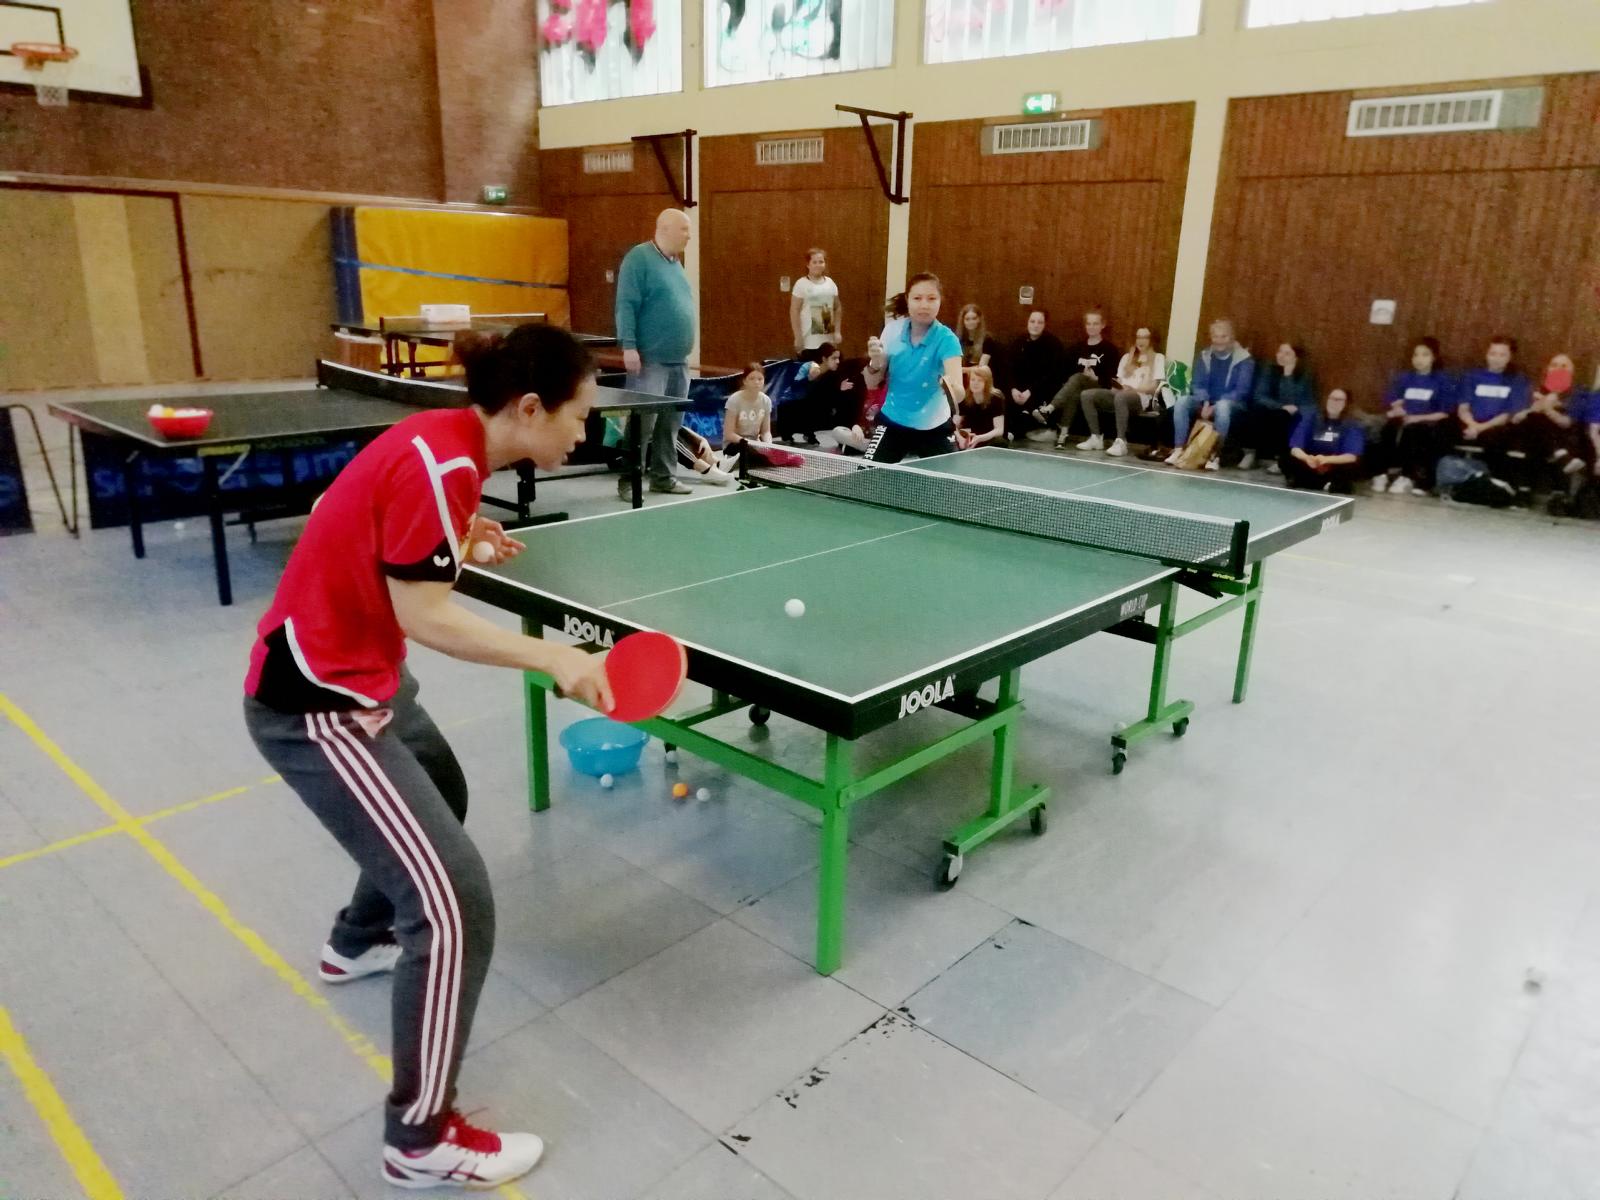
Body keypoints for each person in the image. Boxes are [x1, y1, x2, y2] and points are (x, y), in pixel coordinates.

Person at [242, 325, 611, 1191]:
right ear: (531, 409)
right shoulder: (443, 464)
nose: (585, 433)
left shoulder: (450, 448)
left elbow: (376, 521)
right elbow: (427, 616)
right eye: (580, 415)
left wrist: (463, 536)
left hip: (361, 671)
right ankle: (419, 1138)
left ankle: (354, 940)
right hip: (316, 705)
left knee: (439, 780)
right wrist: (552, 655)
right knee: (454, 907)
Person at [616, 208, 696, 498]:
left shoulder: (675, 263)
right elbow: (626, 304)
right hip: (650, 360)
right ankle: (629, 480)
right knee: (643, 424)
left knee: (670, 425)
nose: (689, 235)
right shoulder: (639, 259)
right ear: (664, 229)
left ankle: (664, 477)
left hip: (678, 360)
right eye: (684, 229)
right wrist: (628, 346)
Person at [866, 272, 964, 462]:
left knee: (950, 481)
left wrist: (951, 387)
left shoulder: (947, 339)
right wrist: (874, 362)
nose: (924, 305)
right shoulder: (892, 331)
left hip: (934, 426)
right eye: (917, 298)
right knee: (866, 475)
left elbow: (959, 394)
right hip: (893, 421)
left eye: (931, 298)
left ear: (940, 301)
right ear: (907, 300)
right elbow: (872, 383)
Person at [1168, 319, 1254, 471]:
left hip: (1233, 404)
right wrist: (1205, 402)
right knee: (1182, 401)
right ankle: (1179, 450)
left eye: (1223, 336)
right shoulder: (1204, 356)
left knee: (1222, 407)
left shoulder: (1245, 359)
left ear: (1232, 337)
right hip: (1206, 402)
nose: (1219, 341)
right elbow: (1197, 383)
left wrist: (1214, 407)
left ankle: (1215, 456)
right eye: (1215, 336)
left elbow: (1242, 390)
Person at [1374, 336, 1454, 495]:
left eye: (1425, 355)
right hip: (1405, 419)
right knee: (1388, 428)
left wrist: (1416, 418)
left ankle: (1407, 476)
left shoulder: (1442, 380)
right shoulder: (1405, 377)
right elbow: (1394, 399)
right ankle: (1382, 474)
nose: (1419, 359)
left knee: (1413, 431)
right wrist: (1398, 408)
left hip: (1429, 423)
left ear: (1434, 357)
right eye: (1416, 355)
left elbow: (1444, 412)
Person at [1456, 335, 1532, 497]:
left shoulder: (1517, 380)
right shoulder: (1472, 376)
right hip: (1470, 425)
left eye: (1502, 355)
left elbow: (1508, 415)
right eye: (1493, 353)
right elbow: (1463, 407)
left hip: (1496, 427)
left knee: (1497, 437)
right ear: (1486, 354)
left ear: (1510, 357)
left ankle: (1498, 485)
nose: (1496, 359)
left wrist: (1480, 428)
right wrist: (1472, 425)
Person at [1075, 326, 1166, 458]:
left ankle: (1121, 442)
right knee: (1087, 395)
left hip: (1141, 398)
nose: (1141, 341)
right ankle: (1096, 437)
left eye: (1145, 337)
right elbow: (1119, 381)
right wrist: (1116, 386)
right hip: (1120, 393)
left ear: (1151, 340)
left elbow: (1154, 387)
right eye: (1138, 337)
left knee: (1121, 396)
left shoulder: (1158, 358)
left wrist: (1133, 389)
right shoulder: (1126, 357)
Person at [1042, 309, 1120, 446]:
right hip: (1079, 388)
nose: (1091, 327)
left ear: (1102, 325)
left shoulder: (1110, 349)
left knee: (1078, 378)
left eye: (1095, 324)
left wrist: (1096, 378)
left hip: (1101, 388)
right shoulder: (1077, 348)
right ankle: (1063, 433)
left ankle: (1051, 407)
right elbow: (1066, 371)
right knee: (1075, 390)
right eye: (1089, 324)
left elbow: (1114, 380)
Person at [1512, 352, 1581, 492]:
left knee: (1538, 423)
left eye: (1564, 366)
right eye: (1554, 365)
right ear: (1547, 369)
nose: (1558, 369)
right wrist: (1537, 407)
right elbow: (1516, 418)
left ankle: (1528, 492)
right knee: (1535, 420)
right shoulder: (1533, 390)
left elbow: (1567, 423)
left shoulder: (1578, 394)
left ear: (1572, 371)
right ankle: (1560, 456)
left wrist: (1548, 408)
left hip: (1561, 437)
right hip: (1529, 436)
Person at [1281, 387, 1366, 493]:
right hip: (1311, 462)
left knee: (1351, 467)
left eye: (1339, 400)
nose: (1334, 402)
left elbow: (1351, 456)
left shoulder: (1353, 425)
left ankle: (1313, 483)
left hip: (1334, 464)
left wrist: (1326, 460)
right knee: (1286, 458)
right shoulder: (1311, 418)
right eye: (1332, 398)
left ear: (1346, 403)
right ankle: (1322, 484)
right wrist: (1307, 458)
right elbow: (1295, 448)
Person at [1250, 343, 1318, 473]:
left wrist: (1288, 375)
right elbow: (1259, 395)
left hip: (1298, 411)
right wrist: (1280, 406)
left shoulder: (1305, 375)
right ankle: (1252, 454)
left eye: (1287, 353)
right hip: (1275, 409)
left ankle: (1281, 461)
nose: (1281, 356)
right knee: (1258, 411)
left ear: (1296, 358)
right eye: (1280, 352)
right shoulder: (1269, 369)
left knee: (1283, 416)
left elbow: (1294, 401)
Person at [777, 342, 856, 443]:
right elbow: (795, 387)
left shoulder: (833, 374)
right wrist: (809, 378)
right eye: (834, 358)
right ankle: (797, 432)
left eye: (838, 358)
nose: (838, 361)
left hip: (810, 402)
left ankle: (809, 432)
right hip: (792, 401)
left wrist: (839, 389)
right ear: (824, 359)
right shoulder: (808, 366)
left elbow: (826, 396)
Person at [1007, 309, 1065, 443]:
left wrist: (1030, 391)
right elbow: (1009, 369)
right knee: (1009, 406)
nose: (1035, 325)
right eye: (1032, 321)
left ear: (1045, 325)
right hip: (1019, 392)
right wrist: (1013, 389)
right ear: (1027, 323)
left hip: (1041, 391)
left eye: (1040, 322)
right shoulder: (1018, 342)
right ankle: (1023, 420)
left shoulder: (1054, 344)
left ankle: (1016, 430)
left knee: (1031, 413)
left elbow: (1053, 375)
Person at [832, 336, 888, 453]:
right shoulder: (855, 389)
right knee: (837, 431)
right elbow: (846, 414)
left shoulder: (887, 390)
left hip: (880, 432)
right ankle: (870, 448)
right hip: (859, 433)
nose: (872, 373)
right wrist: (854, 425)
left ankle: (864, 448)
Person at [791, 247, 841, 356]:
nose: (818, 265)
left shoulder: (830, 283)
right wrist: (798, 337)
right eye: (814, 262)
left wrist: (837, 331)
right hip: (808, 341)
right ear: (808, 265)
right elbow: (794, 311)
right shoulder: (801, 284)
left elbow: (837, 308)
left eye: (821, 262)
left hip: (827, 340)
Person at [955, 365, 1006, 449]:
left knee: (999, 442)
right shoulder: (964, 397)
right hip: (969, 437)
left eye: (980, 380)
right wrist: (961, 438)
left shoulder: (996, 397)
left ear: (987, 382)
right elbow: (955, 425)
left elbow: (999, 430)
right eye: (973, 380)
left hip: (988, 437)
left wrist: (980, 438)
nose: (975, 383)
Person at [957, 303, 1002, 376]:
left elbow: (981, 368)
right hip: (963, 377)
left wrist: (960, 370)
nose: (971, 322)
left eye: (974, 318)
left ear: (979, 320)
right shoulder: (959, 339)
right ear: (963, 321)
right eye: (967, 319)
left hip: (982, 377)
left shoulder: (987, 339)